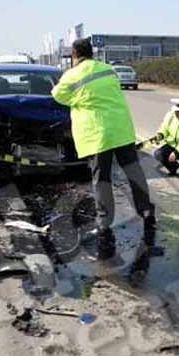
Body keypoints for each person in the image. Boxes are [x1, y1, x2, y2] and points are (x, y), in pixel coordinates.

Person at [51, 39, 155, 259]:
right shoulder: (108, 70)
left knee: (102, 179)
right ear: (93, 53)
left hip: (98, 135)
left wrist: (78, 98)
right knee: (134, 171)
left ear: (74, 56)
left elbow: (58, 95)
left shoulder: (72, 75)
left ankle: (104, 224)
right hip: (122, 130)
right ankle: (146, 210)